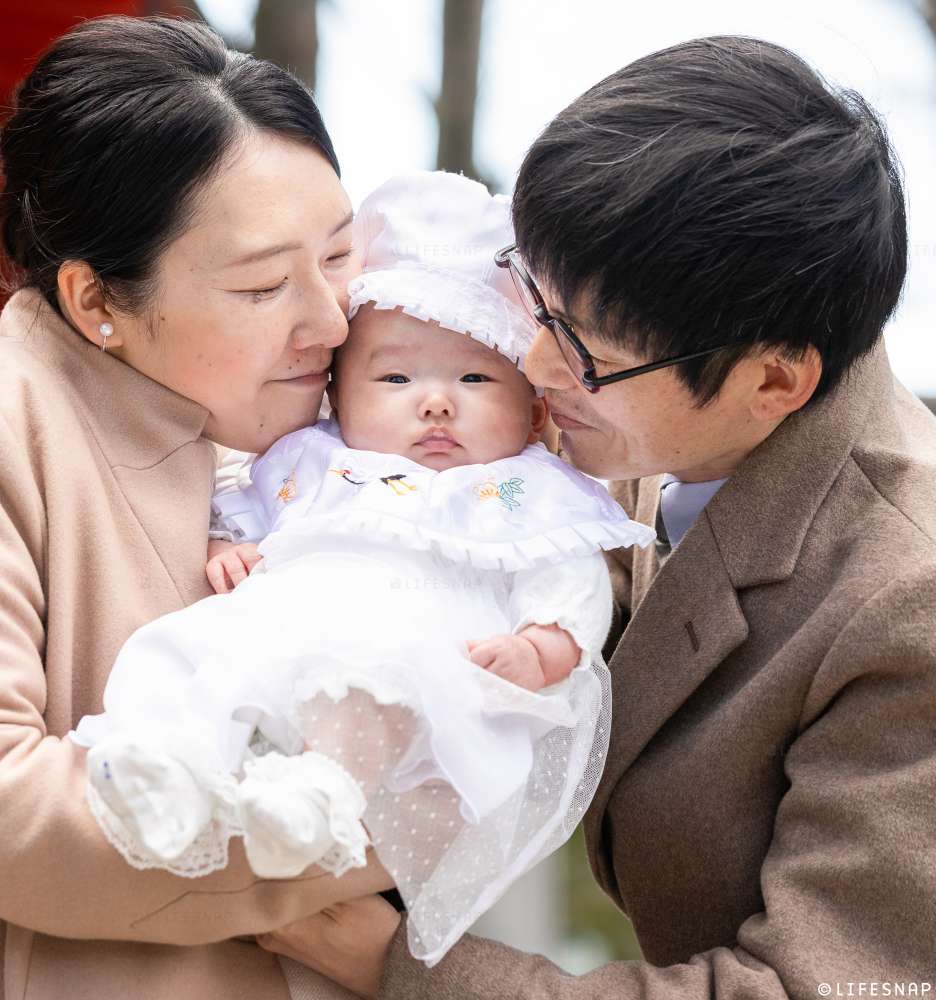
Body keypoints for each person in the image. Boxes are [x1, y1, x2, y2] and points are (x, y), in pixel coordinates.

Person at [257, 36, 936, 999]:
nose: (531, 364)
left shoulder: (908, 599)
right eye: (533, 298)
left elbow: (825, 988)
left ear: (773, 380)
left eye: (582, 346)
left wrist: (401, 967)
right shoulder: (636, 428)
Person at [71, 170, 655, 967]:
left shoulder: (526, 490)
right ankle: (163, 764)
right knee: (192, 650)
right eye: (396, 378)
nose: (436, 402)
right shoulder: (313, 460)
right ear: (340, 400)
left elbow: (568, 585)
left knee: (371, 684)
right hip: (281, 629)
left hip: (420, 665)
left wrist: (543, 645)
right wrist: (226, 548)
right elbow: (238, 513)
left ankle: (319, 796)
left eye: (476, 378)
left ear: (535, 408)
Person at [0, 15, 391, 1000]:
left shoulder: (371, 437)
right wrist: (359, 835)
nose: (329, 316)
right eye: (265, 283)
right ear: (98, 301)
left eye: (342, 255)